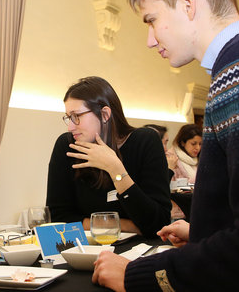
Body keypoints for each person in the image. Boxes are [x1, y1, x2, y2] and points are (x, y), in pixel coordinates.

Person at [92, 0, 239, 291]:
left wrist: (135, 275)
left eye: (151, 19)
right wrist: (203, 233)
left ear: (187, 3)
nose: (150, 39)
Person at [46, 76, 171, 238]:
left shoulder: (144, 141)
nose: (70, 127)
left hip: (136, 253)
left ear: (105, 114)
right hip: (81, 251)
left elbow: (159, 223)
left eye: (77, 116)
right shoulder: (67, 145)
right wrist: (124, 225)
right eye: (69, 117)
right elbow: (57, 220)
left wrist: (115, 170)